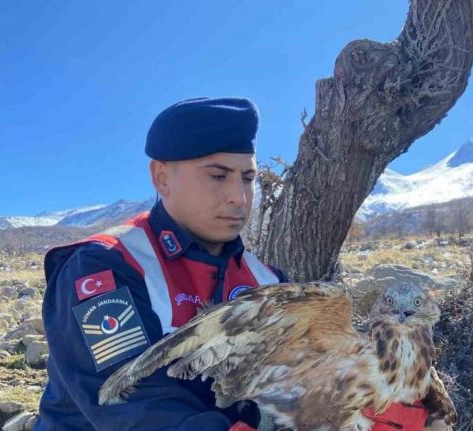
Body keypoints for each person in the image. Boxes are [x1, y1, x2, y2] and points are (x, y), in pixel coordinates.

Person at [34, 97, 429, 431]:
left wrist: (370, 407)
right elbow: (131, 403)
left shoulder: (268, 280)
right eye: (218, 176)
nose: (239, 197)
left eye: (247, 178)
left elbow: (299, 384)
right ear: (161, 178)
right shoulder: (103, 265)